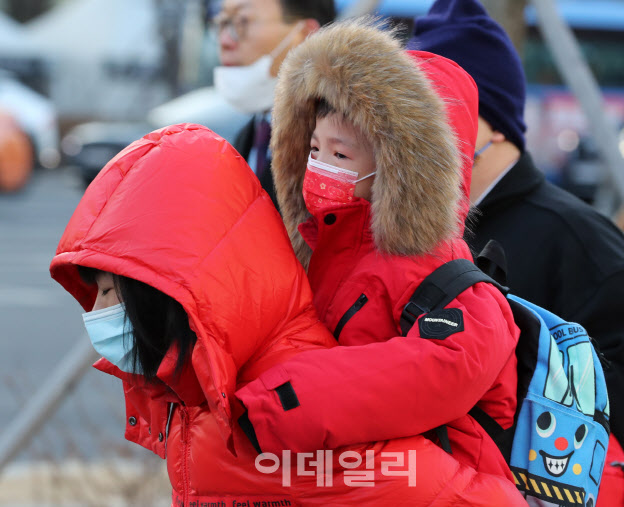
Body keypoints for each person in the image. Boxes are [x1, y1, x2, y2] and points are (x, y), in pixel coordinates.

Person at [50, 123, 525, 505]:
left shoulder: (282, 411)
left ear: (166, 293)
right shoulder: (204, 396)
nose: (99, 312)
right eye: (314, 150)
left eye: (111, 291)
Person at [235, 19, 525, 499]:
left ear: (396, 165)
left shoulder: (437, 268)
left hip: (440, 486)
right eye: (312, 150)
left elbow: (451, 361)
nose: (320, 166)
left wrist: (282, 401)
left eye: (341, 155)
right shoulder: (319, 248)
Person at [409, 0, 624, 470]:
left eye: (433, 116)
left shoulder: (579, 239)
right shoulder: (413, 226)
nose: (417, 139)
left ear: (493, 124)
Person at [213, 0, 336, 206]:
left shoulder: (342, 145)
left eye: (242, 21)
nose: (225, 41)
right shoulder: (248, 136)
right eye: (222, 22)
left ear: (306, 36)